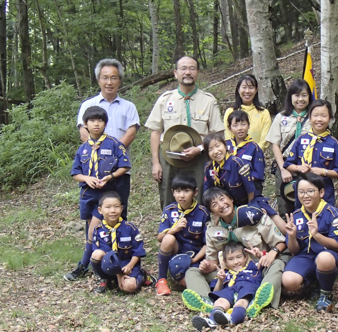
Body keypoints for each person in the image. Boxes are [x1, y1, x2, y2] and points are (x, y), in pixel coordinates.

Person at [182, 187, 286, 316]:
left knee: (278, 264)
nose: (221, 205)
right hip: (228, 275)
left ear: (230, 199)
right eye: (215, 204)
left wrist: (273, 252)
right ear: (212, 211)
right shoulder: (212, 230)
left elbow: (281, 242)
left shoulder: (253, 216)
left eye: (222, 199)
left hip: (257, 269)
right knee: (192, 271)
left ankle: (257, 300)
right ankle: (208, 302)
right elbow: (213, 262)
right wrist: (206, 267)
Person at [145, 56, 225, 208]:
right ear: (175, 73)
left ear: (198, 72)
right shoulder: (165, 100)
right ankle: (171, 230)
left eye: (192, 68)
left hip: (200, 158)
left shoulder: (208, 100)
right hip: (169, 159)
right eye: (183, 68)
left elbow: (217, 133)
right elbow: (155, 132)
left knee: (202, 196)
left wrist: (200, 148)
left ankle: (201, 230)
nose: (187, 72)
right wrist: (156, 163)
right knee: (169, 197)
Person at [65, 106, 131, 281]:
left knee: (93, 230)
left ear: (105, 123)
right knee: (93, 232)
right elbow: (75, 173)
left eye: (100, 120)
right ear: (85, 124)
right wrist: (86, 178)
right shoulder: (83, 149)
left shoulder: (114, 143)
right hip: (88, 194)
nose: (96, 123)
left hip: (106, 194)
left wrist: (110, 176)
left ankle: (83, 265)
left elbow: (125, 166)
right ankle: (101, 263)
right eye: (92, 120)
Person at [77, 58, 140, 220]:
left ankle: (120, 244)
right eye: (105, 77)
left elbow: (131, 133)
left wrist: (112, 158)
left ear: (119, 80)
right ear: (98, 80)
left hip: (120, 170)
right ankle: (93, 245)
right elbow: (84, 134)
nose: (109, 82)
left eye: (114, 77)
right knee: (94, 213)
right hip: (93, 173)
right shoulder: (88, 105)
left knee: (118, 211)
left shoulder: (128, 107)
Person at [281, 173, 338, 312]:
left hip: (328, 255)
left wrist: (316, 235)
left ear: (321, 192)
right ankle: (313, 285)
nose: (305, 196)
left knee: (324, 258)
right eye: (301, 192)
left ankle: (325, 293)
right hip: (305, 256)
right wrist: (291, 236)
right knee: (288, 281)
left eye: (310, 191)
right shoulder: (297, 215)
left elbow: (336, 245)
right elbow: (294, 251)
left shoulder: (332, 213)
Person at [203, 132, 286, 233]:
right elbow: (209, 191)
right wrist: (216, 214)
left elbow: (250, 189)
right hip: (227, 205)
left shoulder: (238, 163)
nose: (215, 151)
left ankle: (291, 237)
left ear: (225, 146)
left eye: (217, 146)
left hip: (248, 200)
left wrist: (251, 206)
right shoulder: (209, 168)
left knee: (270, 215)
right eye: (210, 149)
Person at [191, 242, 274, 330]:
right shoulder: (225, 272)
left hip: (247, 289)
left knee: (241, 302)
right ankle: (212, 321)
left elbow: (267, 260)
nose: (236, 262)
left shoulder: (253, 266)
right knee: (220, 301)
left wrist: (260, 255)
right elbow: (215, 292)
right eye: (231, 259)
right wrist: (220, 280)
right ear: (225, 261)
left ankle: (231, 319)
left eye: (239, 257)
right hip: (229, 291)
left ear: (245, 257)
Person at [155, 173, 210, 296]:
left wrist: (194, 260)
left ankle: (188, 282)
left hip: (196, 255)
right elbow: (160, 238)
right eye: (178, 191)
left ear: (195, 192)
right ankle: (161, 280)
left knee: (192, 283)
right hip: (177, 252)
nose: (182, 195)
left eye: (186, 191)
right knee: (168, 238)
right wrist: (174, 229)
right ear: (173, 192)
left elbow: (208, 243)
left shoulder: (203, 212)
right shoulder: (169, 210)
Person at [284, 99, 338, 209]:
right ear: (310, 117)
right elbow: (288, 164)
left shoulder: (333, 143)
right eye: (315, 115)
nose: (319, 119)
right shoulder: (301, 140)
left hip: (325, 192)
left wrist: (323, 171)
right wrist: (298, 167)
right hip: (303, 191)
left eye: (324, 116)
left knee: (325, 221)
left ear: (330, 118)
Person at [265, 79, 312, 217]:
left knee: (308, 202)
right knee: (285, 203)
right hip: (285, 165)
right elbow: (275, 145)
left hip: (307, 165)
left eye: (304, 95)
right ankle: (288, 234)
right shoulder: (281, 117)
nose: (300, 99)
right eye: (296, 95)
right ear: (290, 97)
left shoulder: (313, 117)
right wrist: (283, 168)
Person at [90, 191, 149, 294]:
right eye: (108, 207)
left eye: (116, 207)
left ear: (121, 209)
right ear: (100, 210)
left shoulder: (130, 228)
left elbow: (138, 252)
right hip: (109, 265)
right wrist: (118, 273)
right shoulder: (98, 231)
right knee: (96, 254)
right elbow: (107, 256)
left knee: (130, 287)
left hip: (127, 265)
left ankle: (141, 276)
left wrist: (130, 266)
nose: (113, 210)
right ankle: (105, 279)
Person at [223, 74, 272, 150]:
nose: (247, 91)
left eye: (251, 87)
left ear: (256, 90)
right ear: (238, 89)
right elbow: (228, 138)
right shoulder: (230, 112)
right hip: (234, 157)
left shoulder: (264, 113)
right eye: (244, 87)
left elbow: (265, 141)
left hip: (256, 157)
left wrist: (252, 153)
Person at [226, 110, 266, 193]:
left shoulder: (254, 148)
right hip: (228, 188)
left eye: (243, 124)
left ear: (248, 126)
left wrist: (243, 181)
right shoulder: (225, 146)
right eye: (235, 125)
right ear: (230, 128)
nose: (240, 128)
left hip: (248, 189)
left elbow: (258, 173)